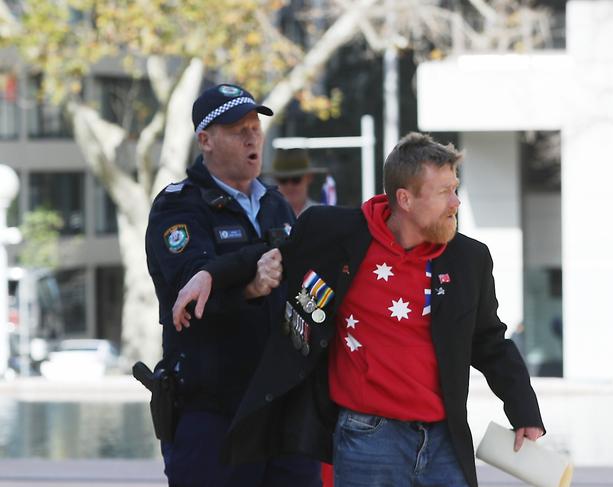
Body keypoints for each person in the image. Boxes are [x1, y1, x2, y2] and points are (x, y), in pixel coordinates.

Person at [172, 133, 545, 487]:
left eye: (455, 189)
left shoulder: (469, 258)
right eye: (445, 192)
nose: (456, 203)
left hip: (445, 438)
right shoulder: (334, 233)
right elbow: (269, 253)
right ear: (405, 199)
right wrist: (210, 274)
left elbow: (489, 340)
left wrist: (524, 410)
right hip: (367, 436)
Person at [144, 82, 321, 487]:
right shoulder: (178, 205)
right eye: (237, 129)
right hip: (211, 413)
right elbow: (191, 288)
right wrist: (247, 286)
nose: (251, 137)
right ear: (205, 140)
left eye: (255, 127)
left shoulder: (276, 203)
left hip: (281, 410)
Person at [268, 148, 327, 216]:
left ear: (309, 178)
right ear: (276, 180)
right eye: (283, 180)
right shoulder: (267, 216)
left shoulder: (322, 214)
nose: (289, 186)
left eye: (296, 179)